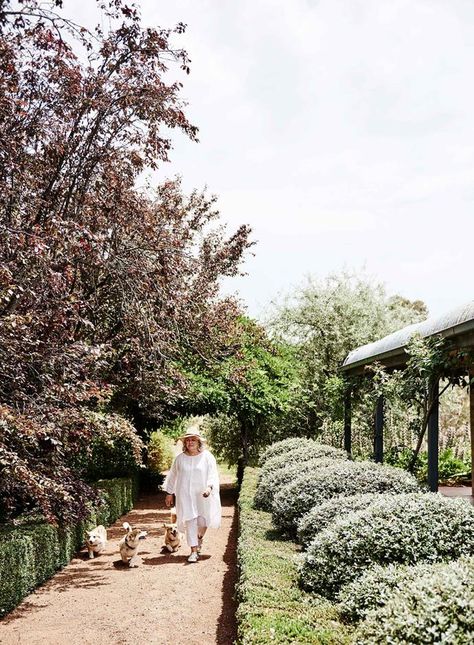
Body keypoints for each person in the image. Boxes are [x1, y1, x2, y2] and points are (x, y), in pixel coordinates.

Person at [163, 427, 221, 563]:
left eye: (193, 439)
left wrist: (209, 487)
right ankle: (193, 551)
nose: (190, 442)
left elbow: (213, 474)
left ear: (199, 442)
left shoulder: (207, 457)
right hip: (184, 496)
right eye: (187, 440)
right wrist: (169, 493)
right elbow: (172, 476)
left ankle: (199, 537)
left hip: (203, 495)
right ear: (184, 443)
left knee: (204, 520)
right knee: (190, 521)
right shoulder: (180, 459)